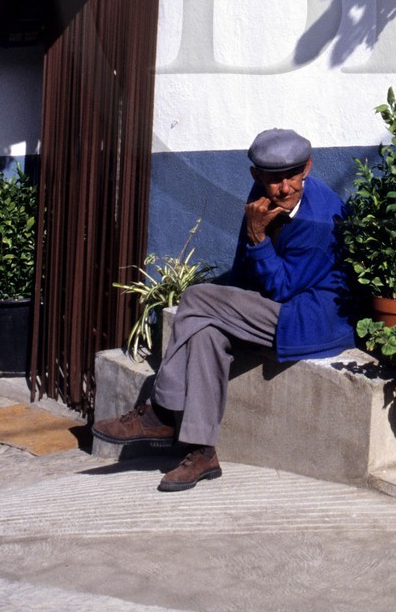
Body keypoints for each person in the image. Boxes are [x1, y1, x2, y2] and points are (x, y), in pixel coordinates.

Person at [93, 127, 354, 492]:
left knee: (197, 298)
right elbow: (245, 263)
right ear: (256, 176)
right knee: (207, 332)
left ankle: (163, 411)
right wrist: (237, 290)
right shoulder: (260, 196)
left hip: (309, 318)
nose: (283, 188)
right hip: (277, 305)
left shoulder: (318, 220)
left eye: (292, 176)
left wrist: (258, 238)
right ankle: (202, 452)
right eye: (273, 179)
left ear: (307, 168)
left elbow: (283, 290)